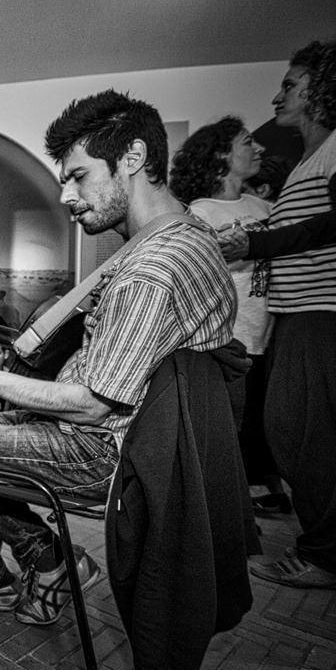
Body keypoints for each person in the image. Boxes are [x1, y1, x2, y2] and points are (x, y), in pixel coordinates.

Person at [0, 90, 236, 626]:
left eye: (78, 176)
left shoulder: (152, 270)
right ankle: (50, 562)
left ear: (133, 158)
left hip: (97, 449)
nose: (67, 195)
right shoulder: (190, 235)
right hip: (107, 435)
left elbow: (93, 403)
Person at [239, 40, 336, 590]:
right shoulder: (309, 160)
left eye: (291, 84)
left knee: (303, 437)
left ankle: (324, 555)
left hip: (322, 314)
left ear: (321, 89)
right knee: (295, 433)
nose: (278, 96)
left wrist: (256, 245)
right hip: (299, 315)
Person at [170, 117, 288, 514]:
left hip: (269, 334)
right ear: (221, 154)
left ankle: (257, 496)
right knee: (227, 430)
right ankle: (226, 511)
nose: (259, 149)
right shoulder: (200, 213)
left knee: (261, 427)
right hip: (227, 340)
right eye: (247, 141)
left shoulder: (267, 208)